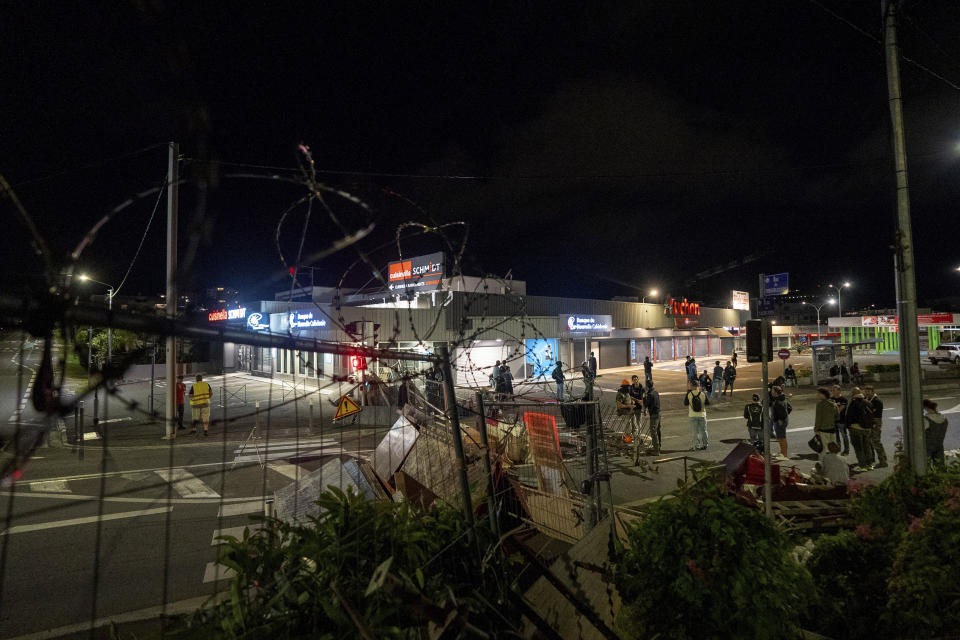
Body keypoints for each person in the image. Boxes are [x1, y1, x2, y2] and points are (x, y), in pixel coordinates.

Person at [846, 387, 875, 472]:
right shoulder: (867, 402)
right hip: (867, 429)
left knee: (859, 448)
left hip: (856, 428)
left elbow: (849, 416)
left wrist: (848, 426)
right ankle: (870, 465)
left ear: (854, 393)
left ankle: (862, 466)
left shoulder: (854, 403)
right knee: (867, 446)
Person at [863, 385, 887, 468]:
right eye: (865, 391)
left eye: (868, 391)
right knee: (872, 442)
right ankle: (882, 459)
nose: (866, 393)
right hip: (871, 422)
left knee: (876, 442)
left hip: (876, 422)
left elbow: (872, 412)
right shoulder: (868, 400)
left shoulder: (877, 401)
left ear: (873, 392)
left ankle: (883, 461)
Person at [683, 379, 710, 451]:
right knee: (704, 430)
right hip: (702, 415)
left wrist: (688, 392)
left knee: (695, 431)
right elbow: (708, 403)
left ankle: (695, 446)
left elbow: (685, 403)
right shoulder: (703, 393)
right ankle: (705, 445)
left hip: (693, 415)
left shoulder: (689, 394)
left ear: (692, 386)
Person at [814, 387, 839, 461]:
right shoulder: (833, 403)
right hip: (833, 428)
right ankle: (835, 462)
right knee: (834, 447)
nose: (818, 395)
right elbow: (837, 416)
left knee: (824, 448)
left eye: (819, 394)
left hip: (823, 429)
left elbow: (818, 418)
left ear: (823, 395)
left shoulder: (820, 404)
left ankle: (823, 464)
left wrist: (816, 429)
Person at [923, 398, 949, 467]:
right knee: (940, 468)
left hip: (927, 447)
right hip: (939, 445)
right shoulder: (944, 418)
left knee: (926, 468)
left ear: (925, 408)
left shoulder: (926, 420)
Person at [770, 385, 791, 460]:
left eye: (772, 391)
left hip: (780, 422)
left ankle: (784, 455)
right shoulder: (781, 398)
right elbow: (789, 408)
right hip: (781, 421)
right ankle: (782, 453)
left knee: (782, 438)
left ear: (776, 392)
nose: (771, 392)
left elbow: (782, 412)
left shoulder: (779, 401)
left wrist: (780, 419)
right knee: (780, 438)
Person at [830, 385, 850, 456]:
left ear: (839, 391)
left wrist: (832, 411)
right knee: (836, 437)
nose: (832, 391)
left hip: (841, 421)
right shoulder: (830, 399)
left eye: (834, 390)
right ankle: (838, 450)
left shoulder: (843, 399)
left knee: (844, 436)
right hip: (833, 421)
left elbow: (840, 410)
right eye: (832, 390)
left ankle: (846, 450)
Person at [644, 380, 662, 457]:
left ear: (647, 386)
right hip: (658, 413)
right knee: (658, 430)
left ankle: (656, 450)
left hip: (654, 415)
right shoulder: (656, 392)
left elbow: (646, 403)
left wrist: (644, 396)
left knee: (653, 432)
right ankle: (658, 446)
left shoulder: (650, 394)